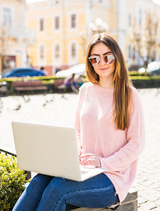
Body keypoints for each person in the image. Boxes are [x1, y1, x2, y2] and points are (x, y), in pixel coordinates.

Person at [12, 33, 145, 211]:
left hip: (112, 178)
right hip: (83, 169)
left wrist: (102, 163)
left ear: (117, 57)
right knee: (38, 180)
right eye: (95, 59)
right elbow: (77, 130)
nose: (102, 63)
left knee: (58, 189)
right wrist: (73, 156)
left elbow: (136, 144)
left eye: (107, 57)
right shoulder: (86, 90)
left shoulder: (130, 95)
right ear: (90, 62)